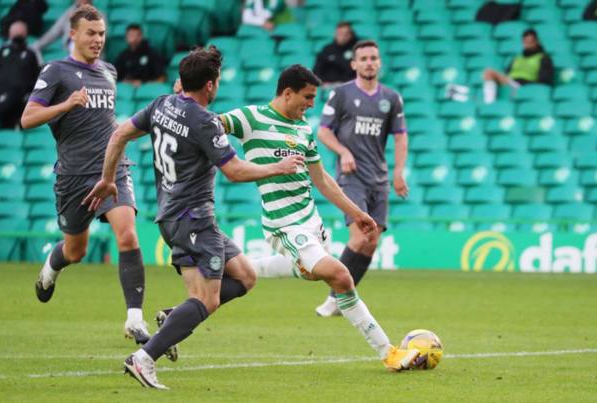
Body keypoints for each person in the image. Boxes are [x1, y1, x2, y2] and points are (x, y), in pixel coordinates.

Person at [82, 46, 306, 390]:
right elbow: (234, 170)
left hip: (174, 217)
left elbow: (119, 134)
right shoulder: (204, 121)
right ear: (211, 85)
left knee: (246, 276)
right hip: (193, 219)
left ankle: (173, 318)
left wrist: (108, 178)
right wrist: (278, 167)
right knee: (207, 299)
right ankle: (143, 358)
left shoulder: (161, 104)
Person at [219, 64, 419, 374]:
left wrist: (357, 213)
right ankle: (389, 352)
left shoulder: (302, 129)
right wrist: (182, 104)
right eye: (308, 97)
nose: (312, 104)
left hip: (311, 223)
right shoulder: (251, 118)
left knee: (312, 274)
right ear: (288, 93)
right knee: (341, 277)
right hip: (284, 225)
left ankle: (237, 269)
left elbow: (322, 179)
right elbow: (207, 125)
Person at [250, 41, 410, 319]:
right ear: (354, 64)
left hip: (380, 179)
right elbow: (324, 132)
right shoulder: (341, 94)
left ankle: (339, 299)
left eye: (373, 58)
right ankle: (336, 297)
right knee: (359, 237)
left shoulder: (392, 98)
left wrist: (398, 172)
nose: (369, 62)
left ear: (380, 62)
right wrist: (343, 151)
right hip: (351, 176)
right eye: (364, 58)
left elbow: (400, 136)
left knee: (372, 242)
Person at [21, 5, 151, 345]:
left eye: (102, 34)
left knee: (128, 235)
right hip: (73, 177)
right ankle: (51, 267)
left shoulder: (109, 71)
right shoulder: (56, 71)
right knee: (76, 251)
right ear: (73, 34)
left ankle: (135, 319)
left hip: (112, 170)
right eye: (91, 33)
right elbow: (27, 118)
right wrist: (65, 105)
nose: (98, 39)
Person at [482, 28, 554, 104]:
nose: (528, 45)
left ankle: (489, 104)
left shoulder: (543, 58)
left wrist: (529, 88)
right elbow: (506, 73)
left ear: (537, 42)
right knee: (488, 73)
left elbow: (544, 80)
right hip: (511, 82)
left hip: (524, 85)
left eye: (531, 42)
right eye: (526, 42)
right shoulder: (517, 59)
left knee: (489, 72)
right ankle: (490, 104)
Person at [0, 20, 41, 128]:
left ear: (26, 34)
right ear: (10, 34)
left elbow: (39, 76)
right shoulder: (2, 50)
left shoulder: (32, 52)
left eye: (20, 31)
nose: (17, 34)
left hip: (20, 96)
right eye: (15, 31)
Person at [313, 21, 358, 86]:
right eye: (339, 34)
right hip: (327, 85)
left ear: (351, 35)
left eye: (346, 34)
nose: (342, 37)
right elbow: (317, 70)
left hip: (348, 85)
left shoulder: (357, 50)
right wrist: (322, 83)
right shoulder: (327, 49)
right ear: (335, 34)